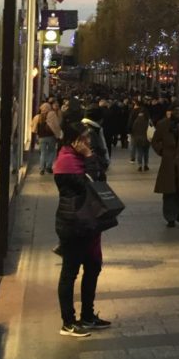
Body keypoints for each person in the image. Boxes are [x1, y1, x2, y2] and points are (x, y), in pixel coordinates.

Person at [53, 121, 109, 337]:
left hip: (89, 222)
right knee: (70, 272)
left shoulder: (80, 158)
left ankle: (88, 315)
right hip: (73, 223)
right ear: (72, 140)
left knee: (93, 267)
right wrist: (89, 157)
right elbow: (91, 183)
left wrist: (90, 157)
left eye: (88, 137)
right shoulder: (66, 162)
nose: (88, 142)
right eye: (84, 138)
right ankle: (68, 322)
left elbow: (101, 176)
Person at [34, 101, 60, 175]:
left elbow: (34, 127)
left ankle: (42, 168)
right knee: (52, 151)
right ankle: (48, 166)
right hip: (51, 137)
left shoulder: (38, 116)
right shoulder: (52, 114)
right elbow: (56, 125)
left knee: (43, 153)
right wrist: (58, 135)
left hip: (41, 137)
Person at [129, 101, 151, 172]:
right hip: (146, 138)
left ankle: (140, 165)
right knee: (146, 152)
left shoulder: (136, 121)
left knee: (139, 151)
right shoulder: (148, 120)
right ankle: (146, 165)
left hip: (138, 138)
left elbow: (132, 128)